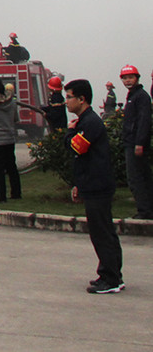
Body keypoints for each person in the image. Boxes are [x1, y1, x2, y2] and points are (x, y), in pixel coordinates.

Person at [65, 78, 123, 293]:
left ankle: (110, 278)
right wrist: (79, 184)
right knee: (105, 230)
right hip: (93, 182)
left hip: (98, 184)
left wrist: (69, 132)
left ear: (82, 99)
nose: (66, 102)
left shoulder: (89, 122)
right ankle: (114, 274)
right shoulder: (85, 121)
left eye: (69, 97)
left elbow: (76, 148)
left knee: (101, 233)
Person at [119, 64, 153, 220]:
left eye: (130, 77)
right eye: (125, 78)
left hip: (135, 144)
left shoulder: (141, 96)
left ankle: (144, 211)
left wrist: (139, 142)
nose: (127, 81)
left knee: (136, 178)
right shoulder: (132, 96)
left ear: (137, 78)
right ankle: (148, 209)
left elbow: (144, 121)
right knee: (144, 176)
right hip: (131, 142)